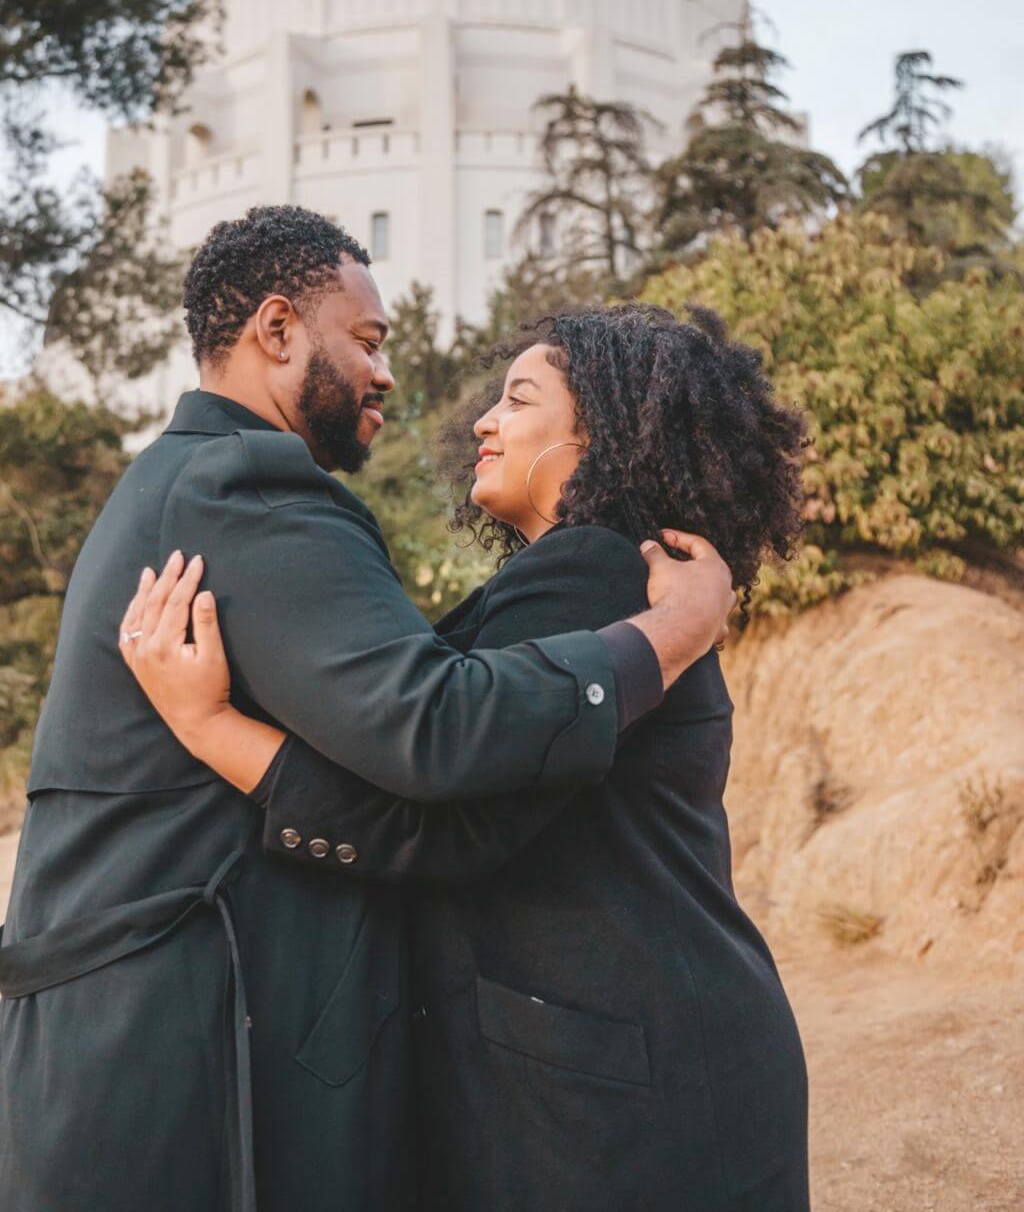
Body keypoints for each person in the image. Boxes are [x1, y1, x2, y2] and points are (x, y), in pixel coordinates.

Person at [0, 207, 733, 1212]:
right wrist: (673, 634)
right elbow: (435, 728)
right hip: (173, 1053)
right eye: (369, 340)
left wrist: (217, 731)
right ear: (276, 330)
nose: (388, 374)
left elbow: (427, 766)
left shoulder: (179, 481)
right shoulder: (247, 482)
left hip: (144, 1049)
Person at [120, 301, 810, 1211]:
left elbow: (449, 825)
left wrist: (212, 725)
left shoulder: (600, 571)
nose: (484, 420)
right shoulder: (584, 580)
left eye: (518, 400)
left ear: (605, 433)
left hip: (627, 1089)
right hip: (626, 1066)